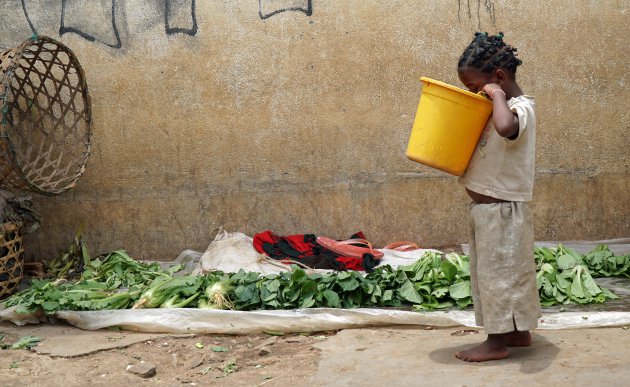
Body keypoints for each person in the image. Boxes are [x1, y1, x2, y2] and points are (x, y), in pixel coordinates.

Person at [454, 32, 541, 362]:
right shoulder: (498, 106)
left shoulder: (520, 108)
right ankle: (518, 332)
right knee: (506, 273)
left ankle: (495, 342)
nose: (478, 95)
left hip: (502, 213)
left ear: (499, 78)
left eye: (478, 88)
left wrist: (494, 96)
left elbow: (507, 128)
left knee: (497, 279)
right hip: (491, 213)